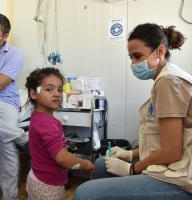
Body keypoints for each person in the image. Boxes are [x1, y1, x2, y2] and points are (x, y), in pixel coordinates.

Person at [74, 23, 192, 200]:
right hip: (173, 166)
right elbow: (163, 140)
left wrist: (132, 168)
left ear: (160, 52)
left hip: (180, 179)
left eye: (137, 56)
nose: (133, 63)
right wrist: (130, 154)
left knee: (85, 194)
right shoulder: (164, 80)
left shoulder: (169, 82)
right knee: (101, 164)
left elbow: (172, 151)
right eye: (131, 58)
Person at [25, 67, 95, 200]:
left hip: (36, 176)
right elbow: (62, 158)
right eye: (49, 89)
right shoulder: (47, 123)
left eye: (60, 89)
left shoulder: (37, 117)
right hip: (48, 186)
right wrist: (85, 164)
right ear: (34, 93)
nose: (57, 94)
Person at [0, 12, 28, 199]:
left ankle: (9, 197)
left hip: (4, 99)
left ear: (5, 36)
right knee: (10, 136)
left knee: (7, 147)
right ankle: (19, 135)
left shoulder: (15, 54)